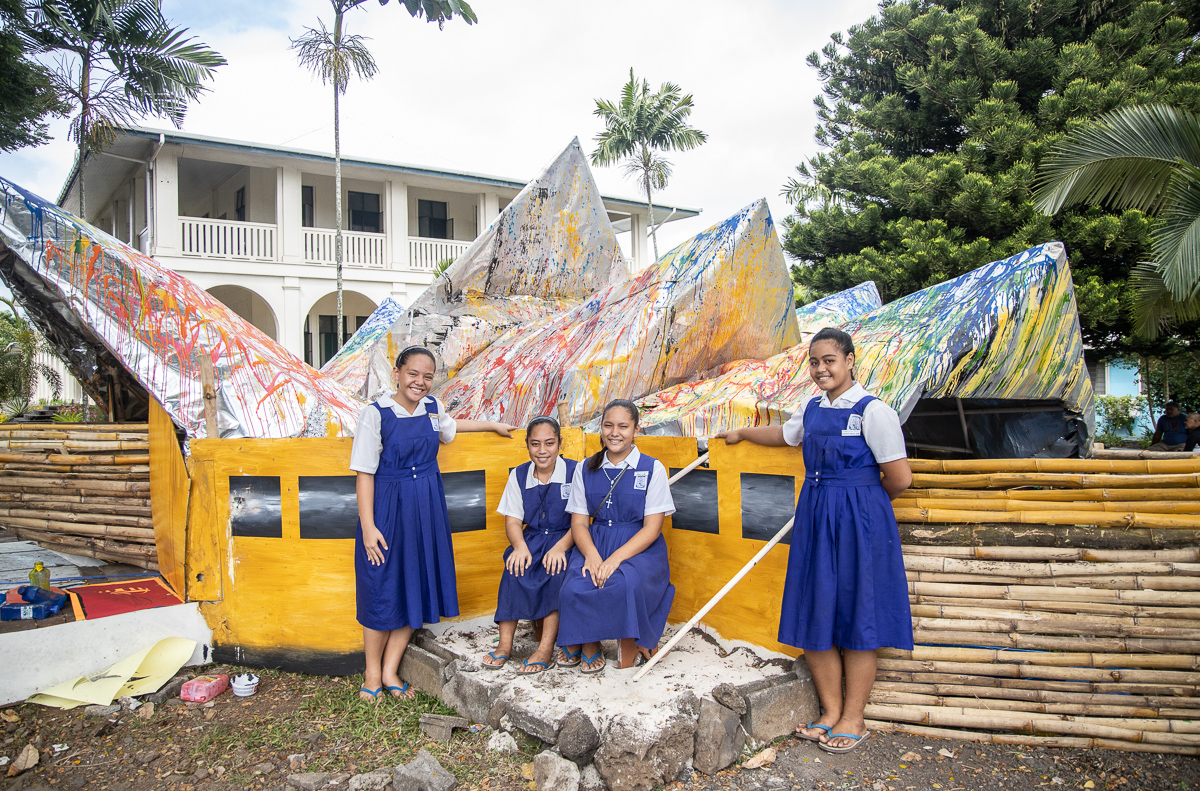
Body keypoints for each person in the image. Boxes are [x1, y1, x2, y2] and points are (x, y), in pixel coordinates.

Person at [716, 327, 912, 754]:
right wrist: (743, 433)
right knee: (816, 608)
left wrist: (857, 502)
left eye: (829, 360)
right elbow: (785, 437)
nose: (821, 368)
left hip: (861, 522)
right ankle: (829, 712)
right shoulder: (812, 408)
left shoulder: (874, 411)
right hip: (816, 517)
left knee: (859, 615)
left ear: (849, 361)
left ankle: (853, 719)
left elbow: (899, 479)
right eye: (815, 361)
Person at [349, 345, 517, 703]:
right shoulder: (375, 414)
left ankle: (392, 669)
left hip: (427, 506)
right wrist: (368, 527)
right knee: (381, 586)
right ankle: (372, 673)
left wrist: (492, 425)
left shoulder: (432, 408)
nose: (420, 382)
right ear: (397, 373)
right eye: (413, 374)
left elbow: (453, 427)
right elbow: (364, 474)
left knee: (417, 583)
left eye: (427, 376)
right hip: (387, 509)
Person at [557, 399, 675, 673]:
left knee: (623, 583)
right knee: (575, 585)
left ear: (636, 429)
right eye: (608, 425)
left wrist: (614, 560)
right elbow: (579, 524)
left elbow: (652, 528)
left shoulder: (651, 468)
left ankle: (624, 642)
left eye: (623, 426)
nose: (615, 432)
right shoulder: (586, 468)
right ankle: (588, 642)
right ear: (601, 428)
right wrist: (593, 556)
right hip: (595, 542)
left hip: (639, 548)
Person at [484, 416, 582, 674]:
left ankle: (545, 648)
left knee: (556, 573)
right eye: (535, 444)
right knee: (514, 569)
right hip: (532, 539)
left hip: (566, 539)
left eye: (549, 443)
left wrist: (561, 548)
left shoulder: (575, 472)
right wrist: (520, 547)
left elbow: (579, 523)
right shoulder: (518, 475)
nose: (542, 450)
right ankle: (505, 645)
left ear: (559, 443)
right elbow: (513, 521)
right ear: (527, 445)